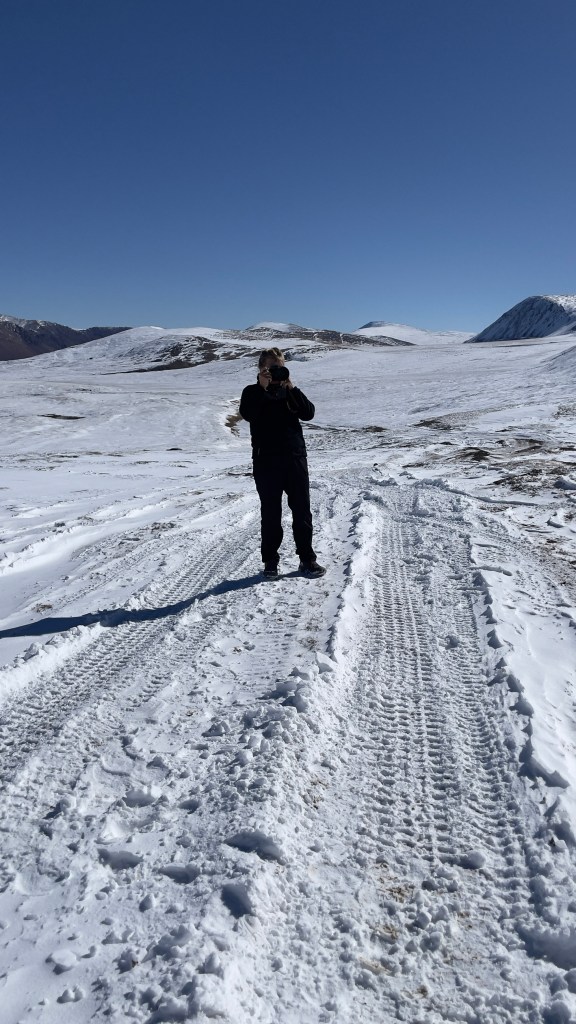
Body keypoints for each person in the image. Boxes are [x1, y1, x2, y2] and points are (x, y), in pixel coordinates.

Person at [239, 348, 325, 578]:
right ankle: (270, 562)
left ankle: (307, 559)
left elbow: (308, 413)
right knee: (270, 513)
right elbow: (248, 414)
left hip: (294, 458)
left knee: (302, 511)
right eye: (271, 368)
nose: (276, 372)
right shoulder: (251, 392)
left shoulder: (290, 392)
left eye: (279, 367)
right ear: (261, 369)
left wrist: (292, 387)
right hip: (266, 461)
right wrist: (262, 388)